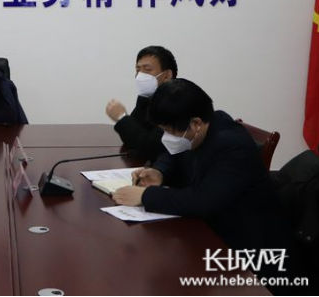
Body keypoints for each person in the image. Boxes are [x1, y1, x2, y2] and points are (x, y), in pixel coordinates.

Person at [112, 79, 293, 283]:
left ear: (196, 124)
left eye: (169, 131)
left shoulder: (231, 145)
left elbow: (204, 201)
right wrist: (159, 173)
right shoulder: (203, 127)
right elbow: (173, 154)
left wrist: (146, 195)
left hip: (250, 254)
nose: (166, 137)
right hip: (213, 233)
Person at [106, 46, 176, 162]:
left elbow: (149, 147)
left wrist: (122, 117)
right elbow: (132, 138)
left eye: (147, 69)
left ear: (167, 75)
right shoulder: (148, 98)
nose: (140, 76)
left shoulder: (176, 102)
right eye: (138, 70)